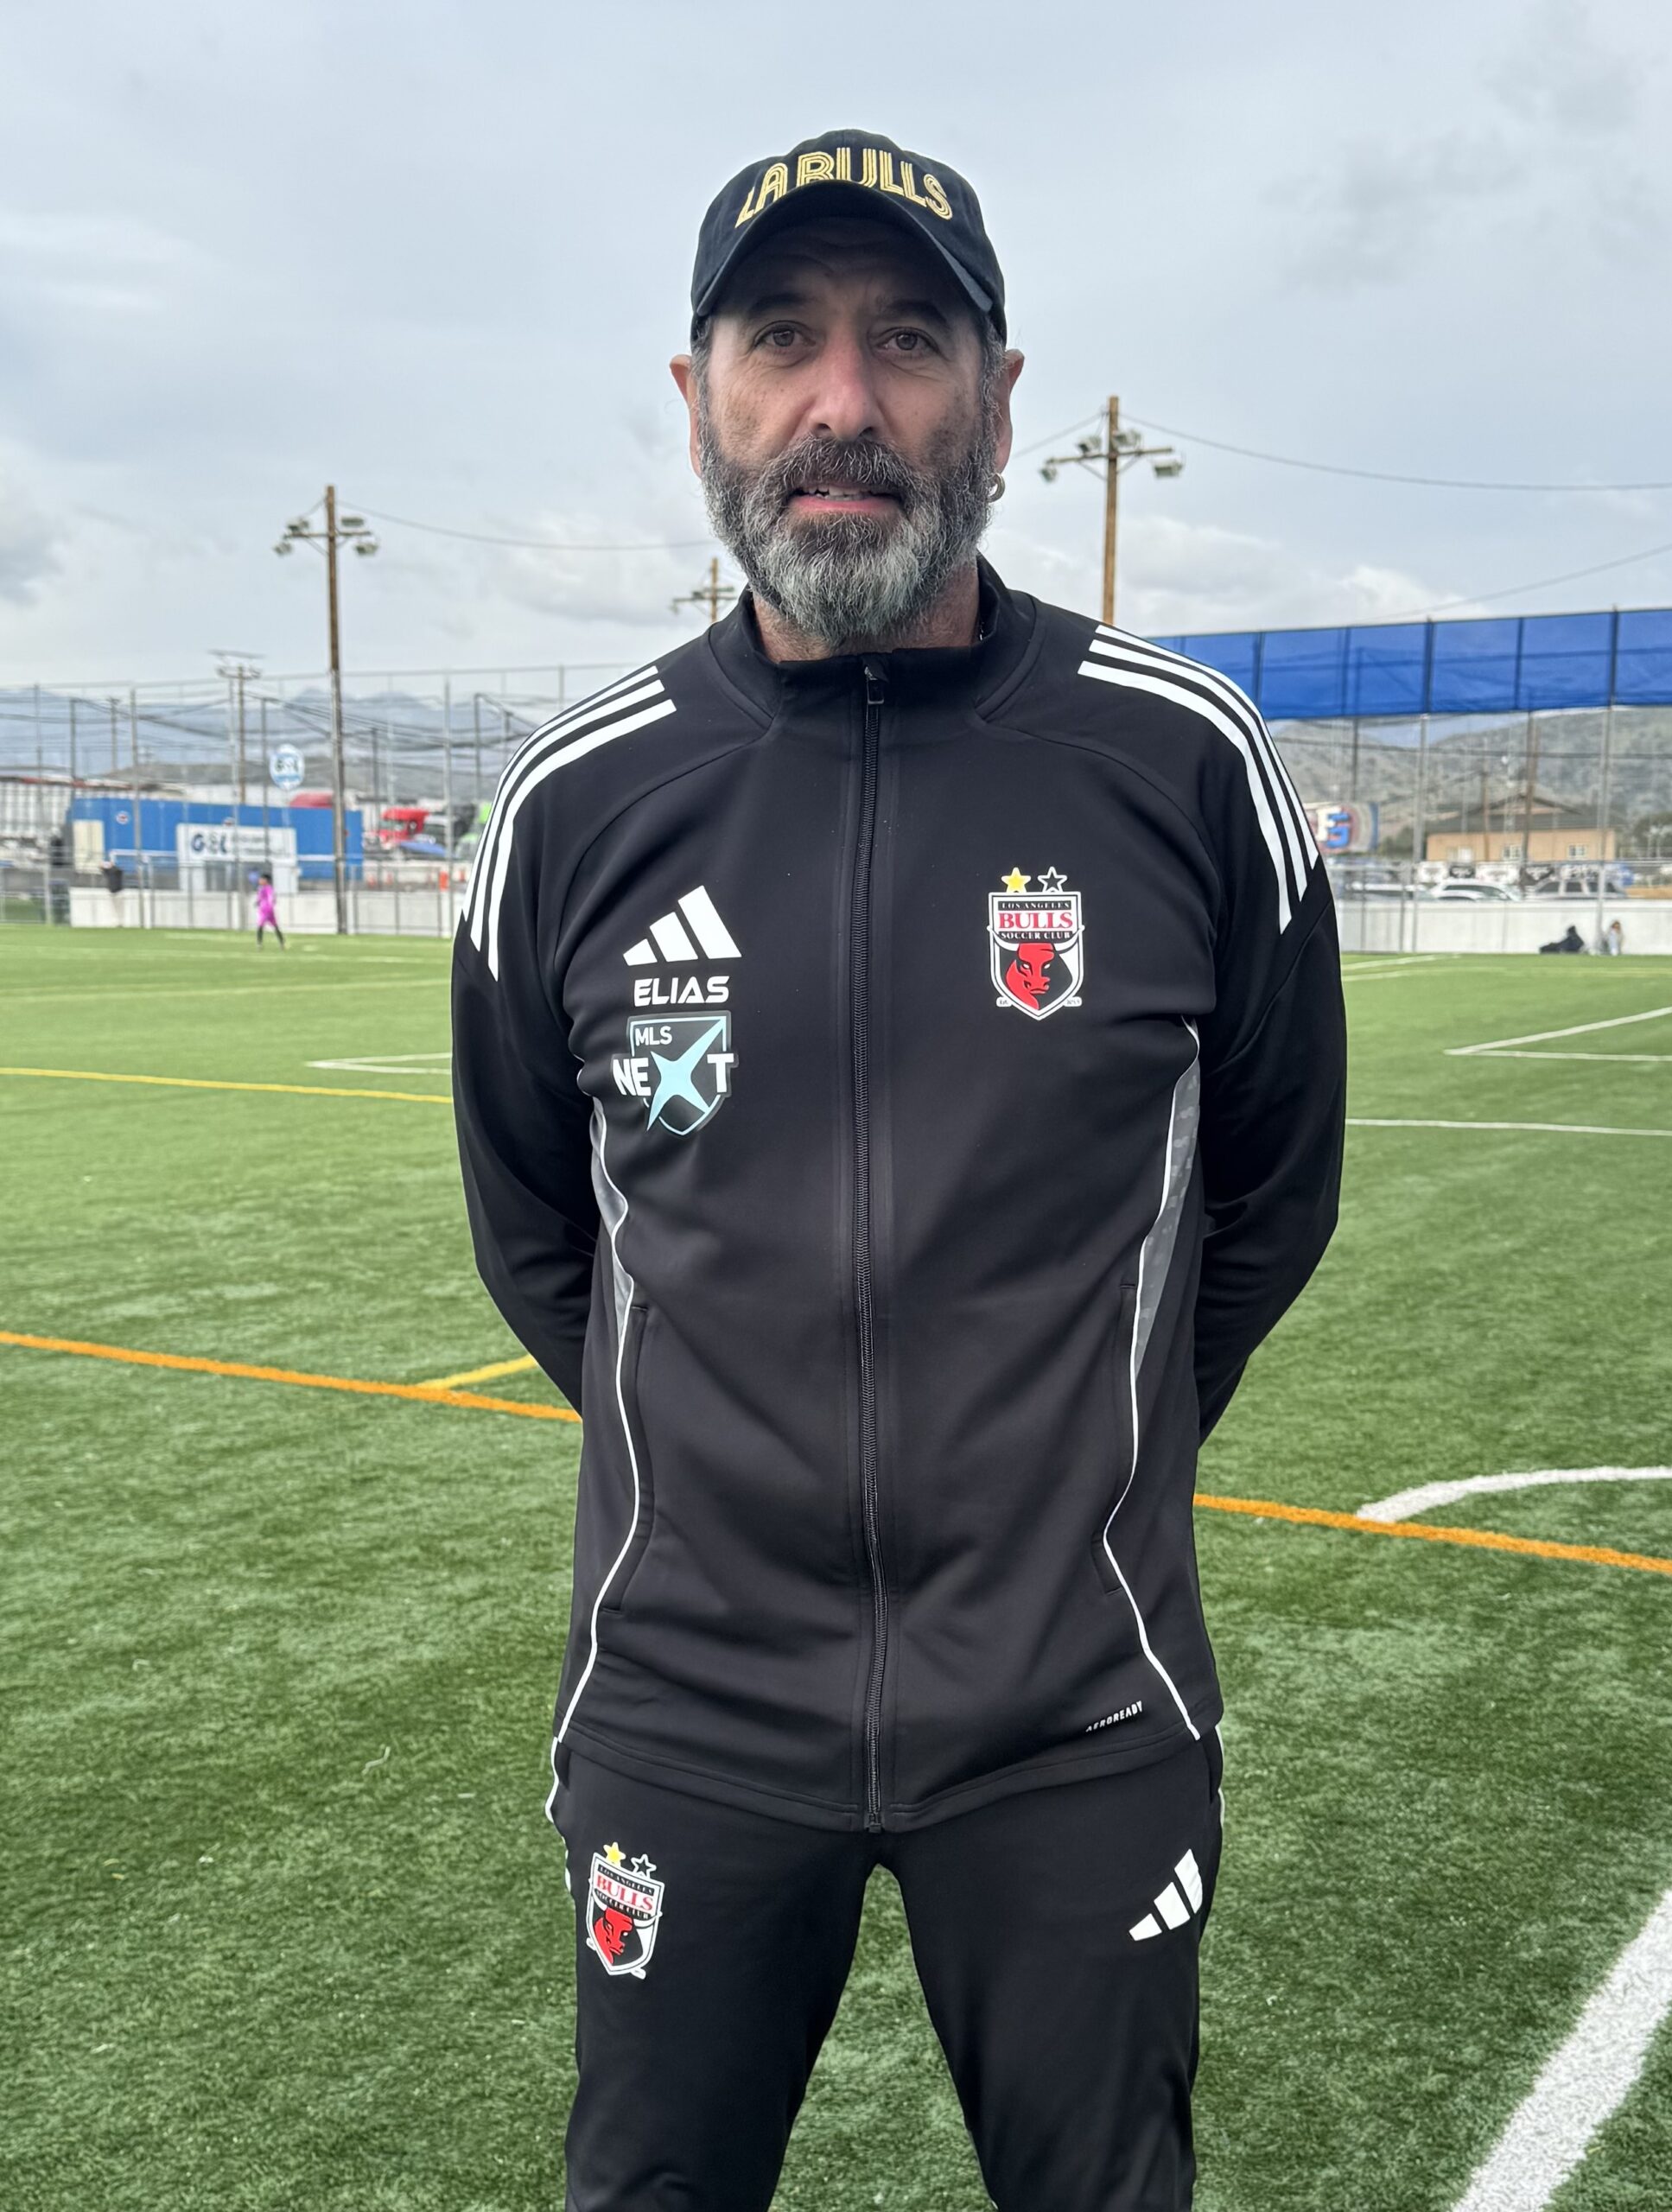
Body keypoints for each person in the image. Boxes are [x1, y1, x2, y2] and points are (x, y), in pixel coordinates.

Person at [453, 130, 1345, 2212]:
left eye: (907, 340)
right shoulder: (580, 804)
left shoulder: (1178, 763)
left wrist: (1071, 1463)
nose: (842, 403)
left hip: (1071, 1706)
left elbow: (1268, 1194)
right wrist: (735, 1472)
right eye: (783, 340)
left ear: (1001, 399)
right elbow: (535, 1225)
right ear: (700, 400)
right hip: (685, 1701)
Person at [254, 869, 284, 947]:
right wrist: (257, 902)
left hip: (266, 910)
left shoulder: (267, 888)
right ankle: (282, 942)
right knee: (275, 926)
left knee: (260, 926)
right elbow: (261, 898)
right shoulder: (262, 888)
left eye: (261, 879)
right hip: (268, 910)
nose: (260, 880)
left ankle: (259, 943)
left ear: (266, 880)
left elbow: (271, 897)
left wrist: (270, 903)